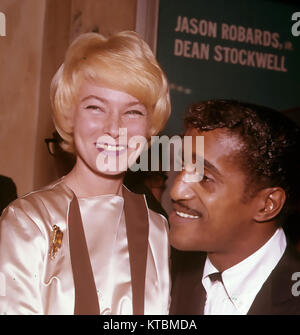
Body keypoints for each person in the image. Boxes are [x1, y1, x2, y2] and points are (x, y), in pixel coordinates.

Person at [0, 31, 171, 315]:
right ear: (70, 115)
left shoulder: (157, 228)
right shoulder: (28, 221)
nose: (114, 128)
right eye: (96, 107)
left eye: (133, 112)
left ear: (150, 125)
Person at [169, 100, 300, 315]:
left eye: (204, 177)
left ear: (267, 204)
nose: (177, 191)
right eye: (182, 166)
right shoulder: (160, 274)